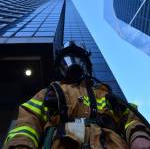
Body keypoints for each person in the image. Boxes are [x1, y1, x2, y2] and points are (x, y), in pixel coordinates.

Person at [4, 42, 150, 149]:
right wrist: (20, 145)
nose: (73, 63)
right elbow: (28, 121)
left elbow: (132, 118)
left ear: (87, 66)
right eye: (67, 58)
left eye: (77, 58)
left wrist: (139, 136)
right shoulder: (49, 92)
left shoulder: (106, 94)